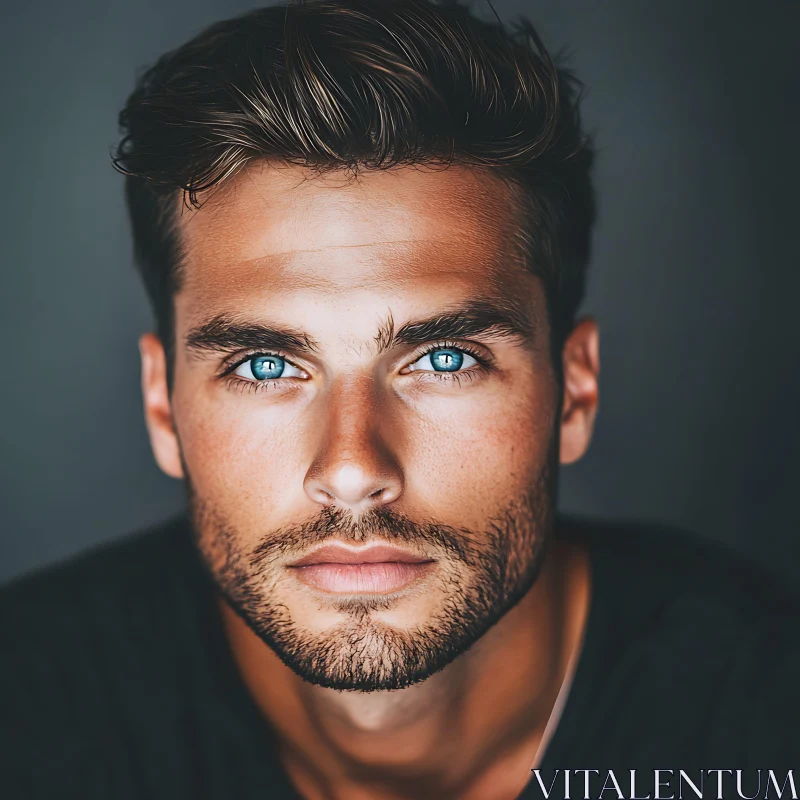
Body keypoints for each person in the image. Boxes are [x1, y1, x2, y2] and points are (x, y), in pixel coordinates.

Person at [1, 2, 797, 798]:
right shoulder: (30, 714)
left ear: (575, 392)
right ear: (161, 407)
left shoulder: (765, 718)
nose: (352, 470)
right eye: (265, 367)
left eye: (444, 358)